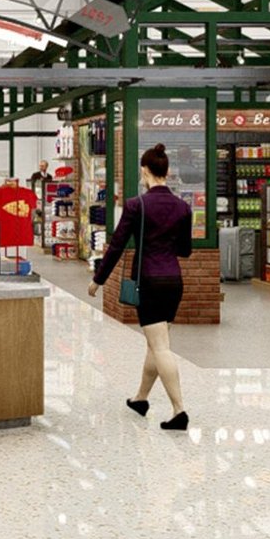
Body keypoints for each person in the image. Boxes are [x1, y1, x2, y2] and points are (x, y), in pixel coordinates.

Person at [93, 145, 194, 432]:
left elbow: (117, 245)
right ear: (168, 172)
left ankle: (179, 410)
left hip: (148, 281)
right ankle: (141, 398)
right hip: (173, 281)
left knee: (160, 346)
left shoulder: (137, 205)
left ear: (144, 171)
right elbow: (185, 250)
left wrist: (98, 279)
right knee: (155, 342)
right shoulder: (183, 207)